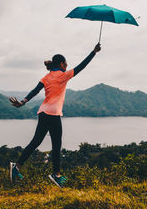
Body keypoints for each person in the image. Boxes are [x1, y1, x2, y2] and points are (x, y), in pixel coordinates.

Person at [9, 43, 102, 188]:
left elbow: (35, 91)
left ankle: (16, 168)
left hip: (43, 113)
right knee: (56, 145)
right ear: (62, 64)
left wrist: (23, 102)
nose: (67, 66)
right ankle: (56, 175)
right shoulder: (63, 76)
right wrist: (93, 52)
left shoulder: (46, 77)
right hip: (53, 114)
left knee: (35, 142)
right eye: (66, 63)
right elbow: (81, 66)